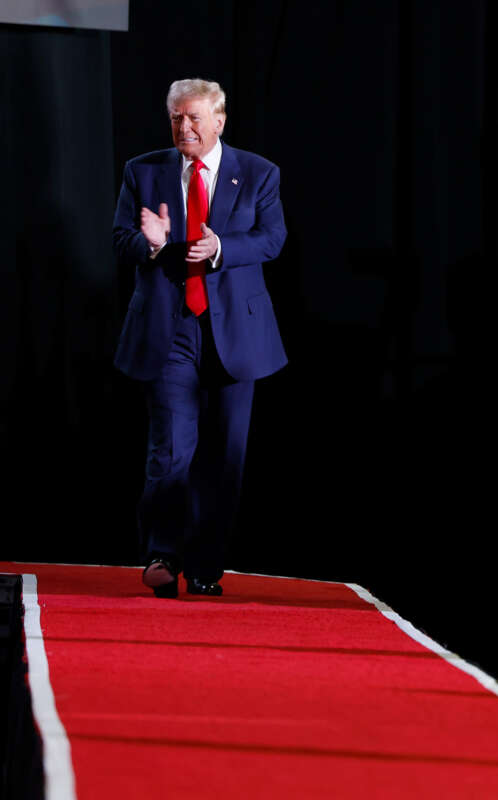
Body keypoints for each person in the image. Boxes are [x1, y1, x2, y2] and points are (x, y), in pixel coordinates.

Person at [112, 78, 287, 598]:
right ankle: (163, 554)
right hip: (170, 331)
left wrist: (219, 248)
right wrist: (151, 244)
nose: (183, 128)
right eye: (175, 118)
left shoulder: (258, 173)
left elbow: (272, 238)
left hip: (236, 331)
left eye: (192, 118)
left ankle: (207, 564)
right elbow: (122, 239)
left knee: (226, 455)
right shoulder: (143, 171)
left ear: (219, 121)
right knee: (170, 448)